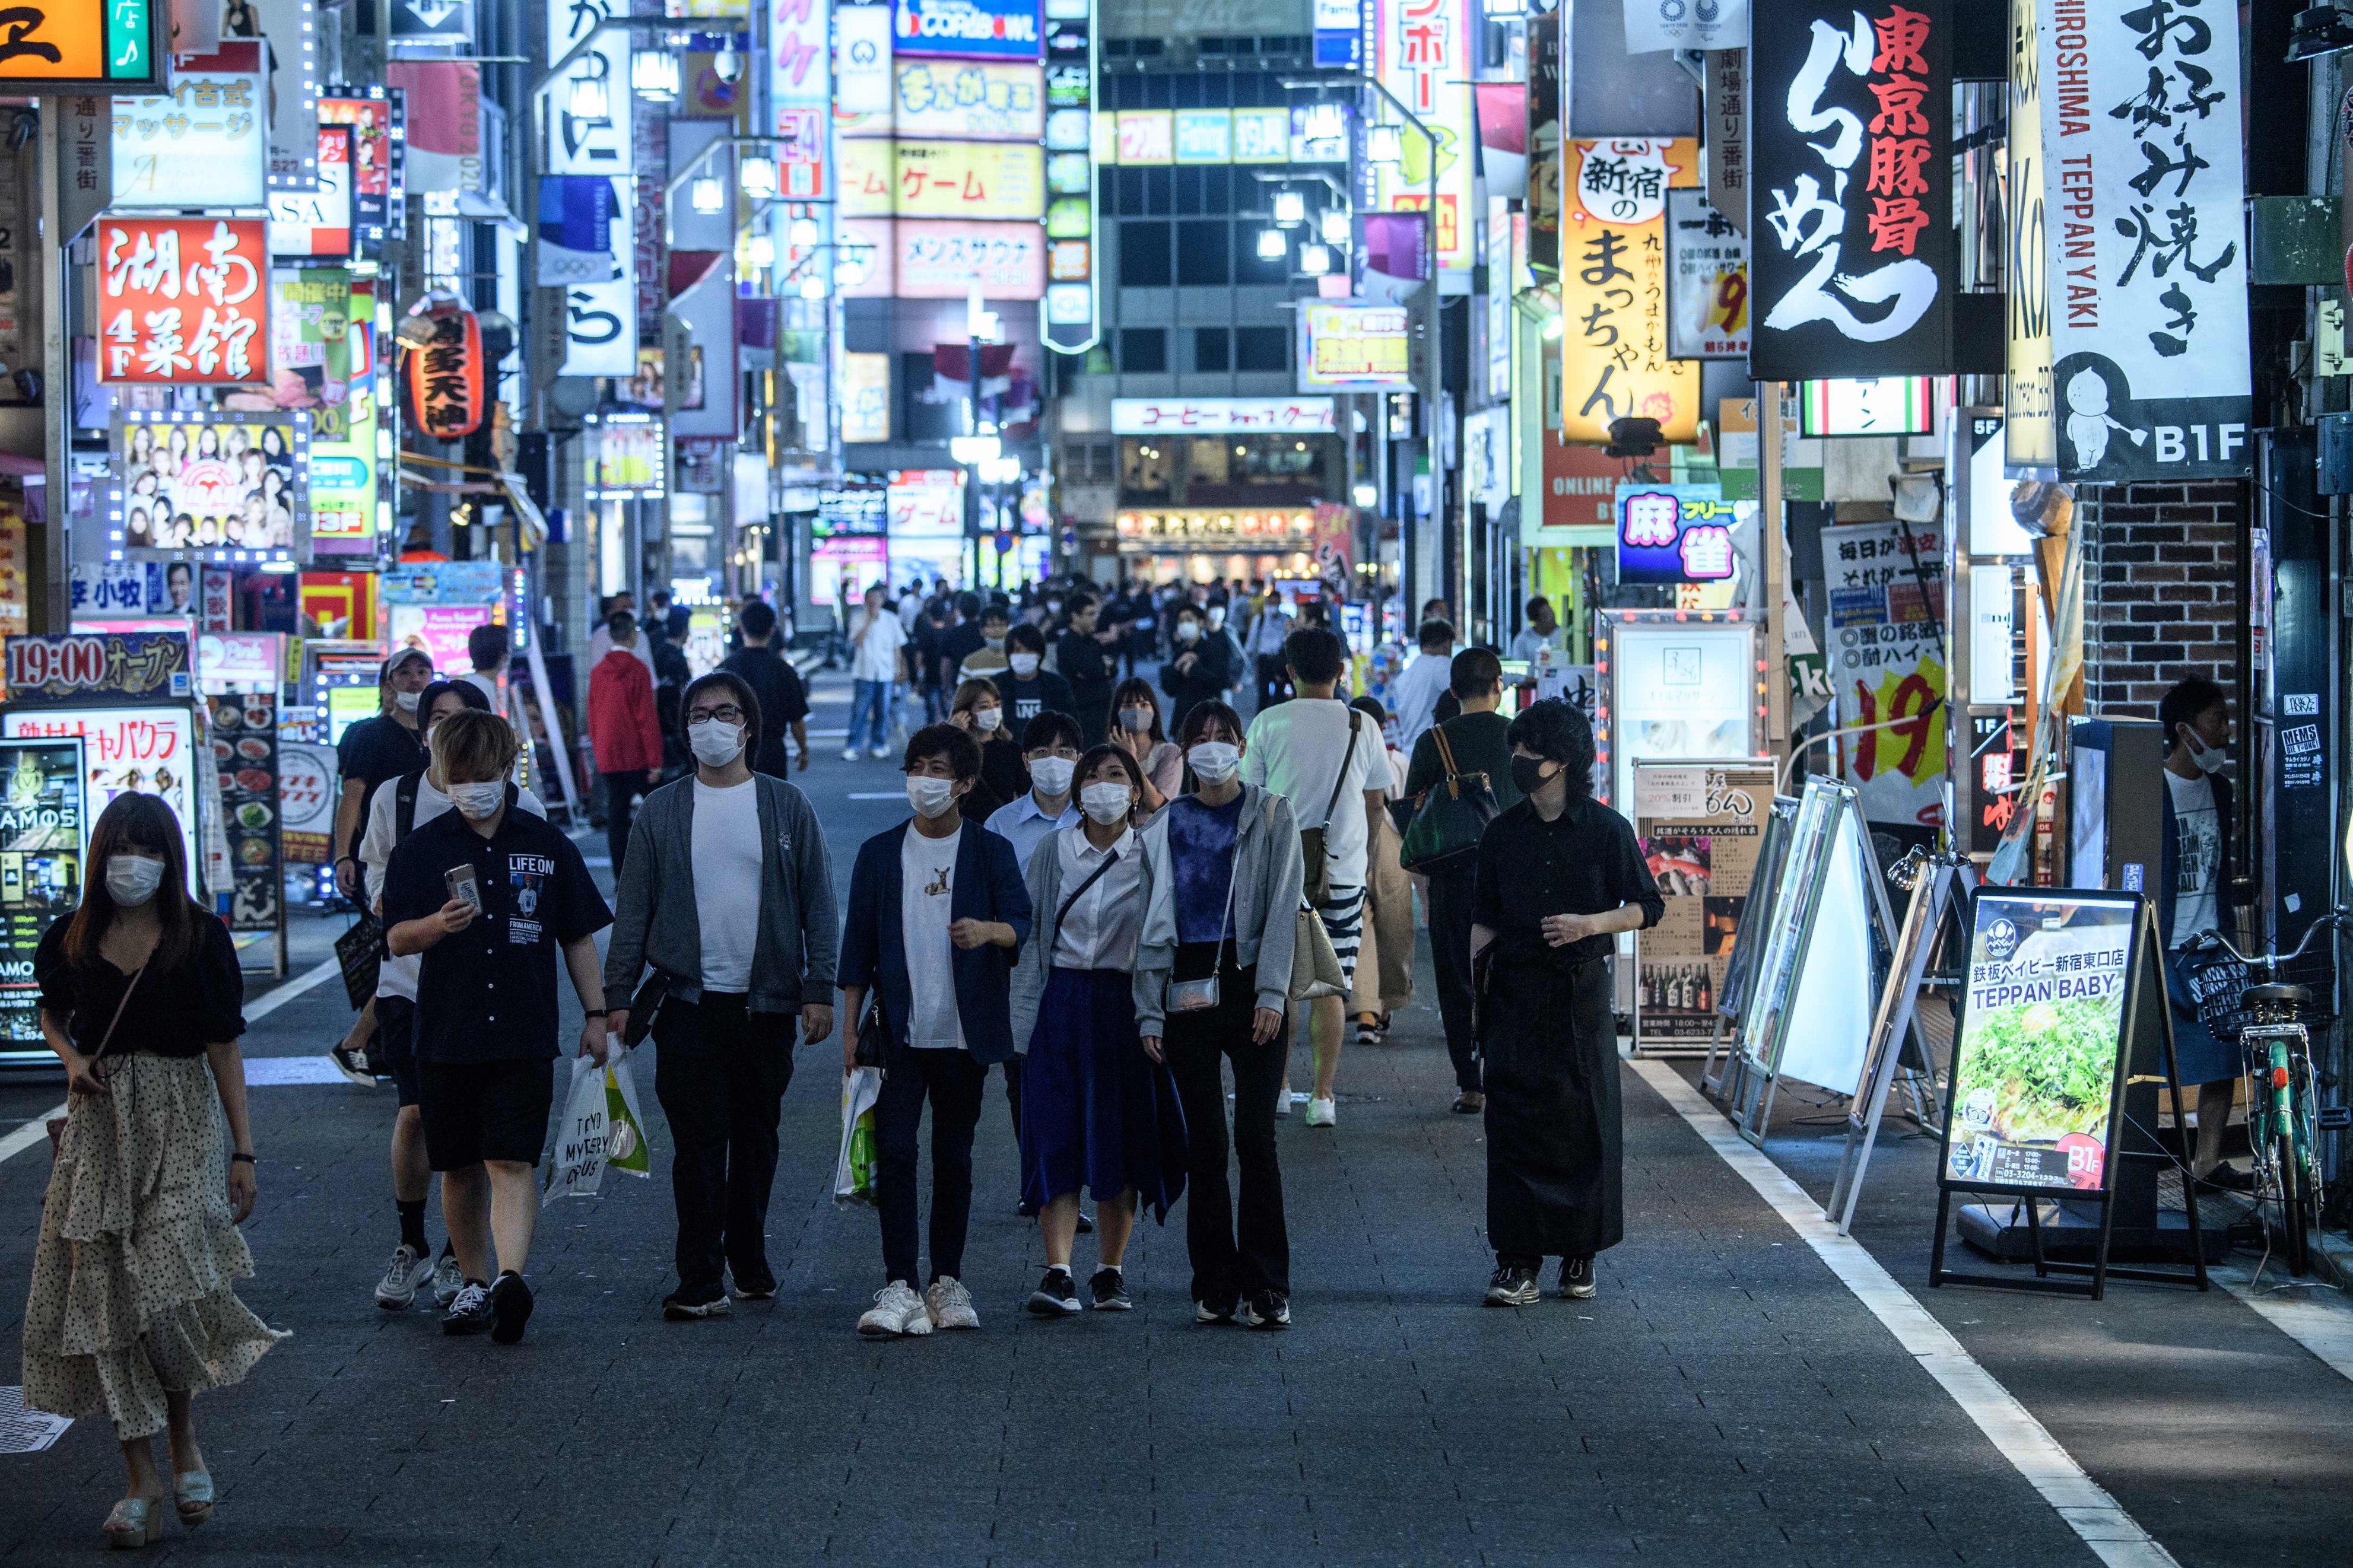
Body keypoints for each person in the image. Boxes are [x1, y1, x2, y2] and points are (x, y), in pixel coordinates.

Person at [24, 795, 285, 1547]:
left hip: (181, 1115)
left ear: (169, 856)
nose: (129, 862)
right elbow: (51, 1010)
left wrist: (244, 1150)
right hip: (103, 1122)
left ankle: (184, 1438)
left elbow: (224, 1046)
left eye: (145, 847)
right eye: (118, 846)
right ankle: (140, 1479)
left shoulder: (199, 937)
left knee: (166, 1282)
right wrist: (73, 1060)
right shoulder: (72, 938)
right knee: (107, 1293)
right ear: (99, 852)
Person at [604, 672, 839, 1320]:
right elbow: (632, 912)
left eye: (725, 711)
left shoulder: (786, 804)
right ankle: (699, 1275)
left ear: (748, 725)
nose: (711, 724)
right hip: (685, 1003)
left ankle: (749, 1257)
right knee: (699, 1141)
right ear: (685, 730)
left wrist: (819, 988)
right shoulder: (661, 810)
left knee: (757, 1135)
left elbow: (819, 903)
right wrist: (614, 997)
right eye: (698, 714)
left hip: (767, 1004)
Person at [383, 710, 612, 1344]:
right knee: (457, 1164)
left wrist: (595, 1016)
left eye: (483, 775)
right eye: (458, 777)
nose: (471, 788)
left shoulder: (544, 843)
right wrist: (436, 926)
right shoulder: (422, 849)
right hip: (447, 1030)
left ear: (507, 770)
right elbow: (396, 937)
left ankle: (510, 1279)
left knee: (511, 1158)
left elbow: (578, 936)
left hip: (523, 1027)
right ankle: (476, 1283)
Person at [358, 680, 550, 1315]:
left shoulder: (526, 811)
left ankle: (481, 1271)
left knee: (499, 1150)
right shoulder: (402, 799)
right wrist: (428, 924)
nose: (452, 732)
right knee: (422, 1121)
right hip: (413, 992)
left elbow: (561, 915)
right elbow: (380, 895)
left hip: (506, 1002)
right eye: (439, 722)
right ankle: (417, 1243)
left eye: (463, 720)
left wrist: (598, 1010)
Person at [837, 724, 1033, 1338]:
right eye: (915, 767)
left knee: (954, 1155)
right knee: (895, 1152)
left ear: (965, 784)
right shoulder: (877, 853)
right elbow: (857, 949)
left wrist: (987, 932)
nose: (924, 781)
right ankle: (899, 1283)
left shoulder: (988, 851)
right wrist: (848, 1029)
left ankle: (946, 1280)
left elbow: (1021, 925)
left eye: (938, 770)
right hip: (897, 1030)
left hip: (964, 1032)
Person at [1472, 700, 1663, 1308]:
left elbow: (1645, 906)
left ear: (1563, 762)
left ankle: (1579, 1252)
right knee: (1514, 1122)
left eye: (1532, 753)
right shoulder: (1502, 834)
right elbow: (1483, 923)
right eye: (1517, 751)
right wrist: (1473, 998)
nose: (1519, 762)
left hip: (1580, 991)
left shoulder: (1607, 830)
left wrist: (1589, 924)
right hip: (1515, 991)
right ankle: (1516, 1260)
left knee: (1585, 1119)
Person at [1137, 701, 1303, 1328]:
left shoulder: (1270, 812)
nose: (1211, 749)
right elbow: (1148, 930)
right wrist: (1148, 1013)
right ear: (1184, 750)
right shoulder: (1164, 824)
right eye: (1199, 739)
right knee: (1204, 1145)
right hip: (1184, 987)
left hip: (1251, 981)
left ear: (1240, 745)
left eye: (1222, 737)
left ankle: (1267, 1283)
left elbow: (1285, 904)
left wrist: (1270, 993)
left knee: (1256, 1138)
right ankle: (1214, 1282)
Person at [1007, 745, 1187, 1316]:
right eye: (1093, 776)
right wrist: (1021, 1020)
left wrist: (1158, 1014)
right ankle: (1057, 1271)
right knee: (1054, 1132)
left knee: (1120, 1138)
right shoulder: (1052, 849)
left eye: (1116, 776)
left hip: (1124, 1006)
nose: (1102, 786)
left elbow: (1167, 938)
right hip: (1060, 1002)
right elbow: (1030, 933)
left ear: (1137, 791)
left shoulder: (1154, 855)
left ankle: (1110, 1272)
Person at [1241, 628, 1390, 1127]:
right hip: (1342, 874)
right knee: (1331, 984)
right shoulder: (1362, 725)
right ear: (1340, 670)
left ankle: (1278, 1088)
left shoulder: (1266, 723)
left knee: (1278, 982)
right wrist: (1364, 857)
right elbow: (1375, 802)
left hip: (1278, 874)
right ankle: (1323, 1098)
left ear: (1289, 672)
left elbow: (1250, 801)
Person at [1403, 647, 1525, 1113]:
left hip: (1453, 875)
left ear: (1452, 691)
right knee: (1511, 970)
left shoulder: (1433, 741)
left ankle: (1469, 1082)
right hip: (1513, 872)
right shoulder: (1519, 736)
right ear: (1499, 686)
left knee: (1456, 976)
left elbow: (1412, 808)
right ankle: (1506, 1068)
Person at [2156, 675, 2254, 1189]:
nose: (2225, 732)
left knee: (2223, 1054)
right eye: (2216, 720)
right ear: (2183, 729)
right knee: (2153, 1057)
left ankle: (2206, 1161)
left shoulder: (2220, 788)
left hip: (2213, 941)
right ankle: (2134, 1160)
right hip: (2166, 944)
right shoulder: (2151, 790)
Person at [327, 647, 434, 1083]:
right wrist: (342, 855)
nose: (414, 679)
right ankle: (358, 1042)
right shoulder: (369, 734)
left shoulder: (436, 735)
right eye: (403, 672)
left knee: (405, 956)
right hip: (378, 861)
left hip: (427, 862)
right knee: (402, 956)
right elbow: (351, 797)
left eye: (422, 670)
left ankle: (375, 1044)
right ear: (388, 683)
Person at [1346, 695, 1416, 1050]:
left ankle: (1371, 1008)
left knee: (1364, 926)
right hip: (1393, 848)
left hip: (1352, 843)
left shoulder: (1343, 757)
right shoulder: (1399, 762)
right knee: (1393, 928)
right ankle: (1373, 1009)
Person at [588, 610, 663, 876]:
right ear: (633, 635)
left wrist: (600, 753)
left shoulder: (598, 672)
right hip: (636, 754)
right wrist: (655, 760)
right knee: (659, 810)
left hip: (608, 755)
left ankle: (620, 873)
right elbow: (646, 717)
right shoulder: (638, 670)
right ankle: (662, 868)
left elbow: (593, 715)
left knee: (617, 815)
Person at [983, 712, 1084, 886]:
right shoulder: (1000, 825)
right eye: (1042, 752)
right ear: (1027, 762)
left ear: (1078, 761)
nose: (1053, 760)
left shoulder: (1095, 817)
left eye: (1064, 752)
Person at [720, 598, 812, 776]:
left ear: (741, 629)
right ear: (772, 630)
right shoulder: (784, 671)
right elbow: (797, 720)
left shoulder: (725, 670)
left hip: (732, 751)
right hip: (772, 751)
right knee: (771, 800)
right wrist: (803, 750)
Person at [948, 677, 1028, 822]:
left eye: (996, 705)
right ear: (966, 712)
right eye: (984, 707)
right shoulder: (954, 748)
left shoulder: (1012, 750)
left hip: (1001, 828)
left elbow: (1027, 792)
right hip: (962, 828)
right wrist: (953, 734)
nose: (993, 712)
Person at [846, 582, 906, 762]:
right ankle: (853, 745)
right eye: (870, 600)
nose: (873, 603)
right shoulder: (858, 617)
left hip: (886, 672)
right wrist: (869, 621)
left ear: (882, 600)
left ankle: (878, 744)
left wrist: (898, 668)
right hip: (865, 672)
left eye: (876, 599)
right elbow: (857, 641)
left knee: (883, 710)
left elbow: (897, 647)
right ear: (865, 600)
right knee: (860, 710)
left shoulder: (891, 619)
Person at [1109, 678, 1183, 811]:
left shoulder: (1169, 753)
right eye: (1128, 706)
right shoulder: (1107, 755)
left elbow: (1158, 805)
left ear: (1154, 711)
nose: (1137, 711)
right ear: (1118, 713)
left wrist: (1130, 760)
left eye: (1144, 705)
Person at [1159, 602, 1235, 733]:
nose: (1184, 624)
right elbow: (1169, 689)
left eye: (1189, 620)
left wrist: (1194, 669)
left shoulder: (1214, 649)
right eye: (1181, 621)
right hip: (1183, 720)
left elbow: (1222, 682)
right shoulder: (1180, 652)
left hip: (1209, 720)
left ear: (1200, 623)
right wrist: (1177, 667)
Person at [1387, 619, 1459, 756]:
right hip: (1433, 751)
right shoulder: (1441, 665)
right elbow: (1473, 686)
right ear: (1447, 643)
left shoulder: (1404, 677)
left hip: (1408, 753)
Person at [1056, 594, 1120, 746]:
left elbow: (1112, 669)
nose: (1095, 618)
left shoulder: (1092, 641)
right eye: (1090, 614)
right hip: (1082, 712)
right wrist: (1101, 668)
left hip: (1103, 710)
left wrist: (1103, 668)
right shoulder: (1068, 644)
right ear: (1075, 616)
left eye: (1096, 614)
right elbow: (1090, 671)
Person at [998, 622, 1076, 728]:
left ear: (1039, 654)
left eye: (1029, 650)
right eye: (1018, 650)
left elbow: (1069, 723)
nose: (1023, 655)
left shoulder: (1058, 685)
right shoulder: (997, 684)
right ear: (1009, 654)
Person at [650, 608, 694, 780]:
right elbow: (684, 690)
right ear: (684, 631)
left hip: (660, 723)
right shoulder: (675, 657)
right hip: (674, 725)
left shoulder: (657, 651)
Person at [587, 592, 657, 678]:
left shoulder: (641, 635)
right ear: (612, 611)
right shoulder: (600, 636)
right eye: (625, 607)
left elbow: (651, 675)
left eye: (632, 607)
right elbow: (596, 674)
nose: (630, 611)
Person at [1246, 593, 1295, 712]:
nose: (1273, 606)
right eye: (1271, 603)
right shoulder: (1260, 619)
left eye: (1276, 603)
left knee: (1280, 691)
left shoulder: (1287, 619)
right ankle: (1261, 718)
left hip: (1280, 660)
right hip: (1265, 660)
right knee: (1263, 692)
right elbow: (1252, 641)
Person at [957, 602, 1014, 685]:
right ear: (982, 631)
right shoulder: (971, 662)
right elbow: (963, 694)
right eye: (992, 626)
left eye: (1002, 625)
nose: (997, 630)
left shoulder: (1016, 659)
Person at [1510, 596, 1564, 664]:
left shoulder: (1565, 635)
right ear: (1536, 620)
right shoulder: (1523, 640)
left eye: (1551, 612)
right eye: (1545, 616)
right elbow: (1518, 665)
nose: (1551, 618)